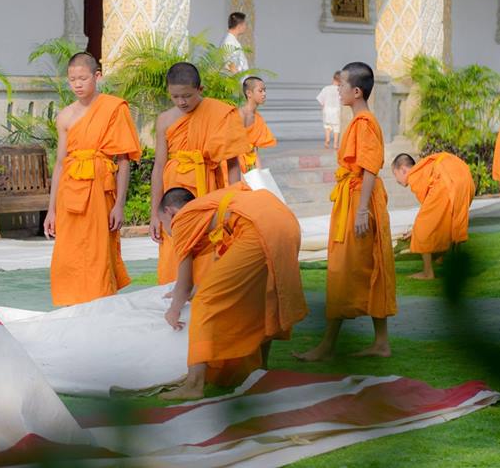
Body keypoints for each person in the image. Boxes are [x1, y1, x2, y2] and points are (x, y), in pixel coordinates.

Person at [158, 183, 307, 400]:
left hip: (259, 228)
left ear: (170, 212)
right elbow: (228, 266)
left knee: (205, 301)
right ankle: (260, 371)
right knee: (260, 298)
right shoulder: (214, 207)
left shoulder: (181, 219)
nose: (167, 230)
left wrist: (174, 310)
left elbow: (185, 285)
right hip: (286, 221)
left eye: (163, 223)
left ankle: (194, 384)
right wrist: (199, 287)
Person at [294, 62, 395, 361]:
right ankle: (380, 343)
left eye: (341, 86)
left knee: (346, 269)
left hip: (359, 201)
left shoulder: (364, 123)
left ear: (357, 91)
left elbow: (369, 168)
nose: (337, 90)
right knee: (363, 266)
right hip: (353, 198)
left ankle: (328, 346)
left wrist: (362, 210)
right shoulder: (358, 120)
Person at [43, 52, 141, 306]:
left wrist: (119, 205)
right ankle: (70, 305)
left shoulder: (113, 109)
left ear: (97, 76)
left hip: (99, 190)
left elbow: (123, 160)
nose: (77, 84)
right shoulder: (65, 116)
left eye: (83, 78)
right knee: (68, 253)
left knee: (98, 252)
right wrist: (51, 210)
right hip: (70, 192)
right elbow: (60, 163)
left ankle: (100, 304)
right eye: (72, 79)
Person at [150, 62, 249, 285]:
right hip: (173, 193)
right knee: (174, 247)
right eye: (175, 96)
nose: (181, 102)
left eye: (187, 96)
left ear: (200, 89)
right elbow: (158, 166)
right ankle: (174, 294)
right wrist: (155, 213)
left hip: (207, 188)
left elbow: (233, 162)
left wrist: (233, 202)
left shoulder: (220, 113)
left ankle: (205, 297)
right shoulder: (164, 120)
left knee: (207, 244)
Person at [391, 152, 475, 280]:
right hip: (465, 178)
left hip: (448, 181)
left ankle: (427, 273)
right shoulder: (425, 168)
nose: (396, 180)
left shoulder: (414, 175)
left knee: (422, 226)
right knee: (451, 223)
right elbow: (434, 212)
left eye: (395, 174)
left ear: (403, 170)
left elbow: (428, 214)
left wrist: (416, 229)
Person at [238, 76, 277, 172]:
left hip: (250, 164)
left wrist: (259, 173)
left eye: (265, 90)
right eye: (260, 91)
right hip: (235, 165)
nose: (264, 94)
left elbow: (255, 149)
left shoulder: (257, 118)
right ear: (249, 93)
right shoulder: (240, 114)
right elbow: (231, 148)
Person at [316, 71, 342, 149]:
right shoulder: (340, 90)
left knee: (327, 126)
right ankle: (335, 144)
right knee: (336, 127)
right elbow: (342, 100)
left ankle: (327, 140)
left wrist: (323, 108)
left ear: (333, 79)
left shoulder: (326, 88)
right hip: (336, 110)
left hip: (327, 110)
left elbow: (321, 100)